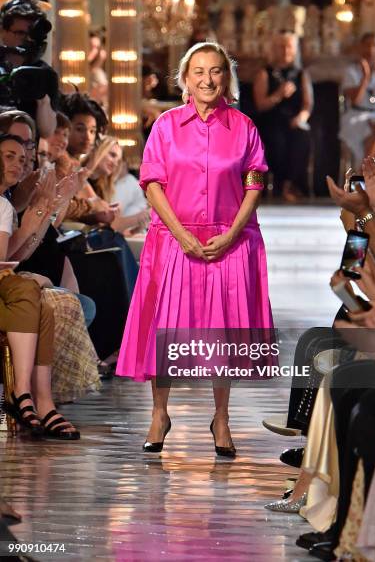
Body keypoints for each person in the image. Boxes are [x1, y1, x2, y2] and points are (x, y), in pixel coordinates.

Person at [116, 42, 275, 456]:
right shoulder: (166, 126)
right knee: (165, 330)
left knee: (223, 334)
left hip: (231, 239)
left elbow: (255, 184)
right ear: (185, 79)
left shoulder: (244, 127)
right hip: (174, 239)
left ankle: (221, 418)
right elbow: (152, 183)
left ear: (227, 78)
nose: (208, 79)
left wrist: (232, 233)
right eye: (199, 71)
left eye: (216, 71)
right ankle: (159, 413)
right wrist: (181, 235)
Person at [0, 134, 79, 439]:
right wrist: (42, 210)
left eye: (23, 158)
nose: (18, 164)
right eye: (9, 156)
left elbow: (16, 255)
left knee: (44, 305)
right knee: (28, 290)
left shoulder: (5, 204)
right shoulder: (6, 205)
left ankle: (41, 401)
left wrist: (47, 209)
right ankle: (24, 395)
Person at [253, 30, 313, 201]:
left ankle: (291, 184)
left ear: (295, 49)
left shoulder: (301, 74)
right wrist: (278, 94)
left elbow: (308, 104)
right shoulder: (265, 73)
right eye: (281, 47)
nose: (285, 51)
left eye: (289, 47)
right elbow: (260, 104)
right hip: (271, 120)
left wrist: (301, 117)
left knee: (302, 138)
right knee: (276, 140)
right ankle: (279, 185)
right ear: (274, 49)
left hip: (294, 121)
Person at [0, 0, 57, 137]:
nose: (26, 40)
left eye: (31, 34)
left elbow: (47, 131)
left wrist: (43, 100)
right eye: (20, 33)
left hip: (25, 154)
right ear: (2, 31)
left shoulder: (44, 74)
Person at [340, 32, 375, 170]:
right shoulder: (351, 71)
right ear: (360, 48)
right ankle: (371, 183)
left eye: (374, 45)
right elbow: (355, 101)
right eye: (367, 45)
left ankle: (363, 180)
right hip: (356, 117)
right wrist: (365, 78)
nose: (370, 49)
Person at [87, 136, 150, 234]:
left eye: (118, 161)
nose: (115, 164)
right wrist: (140, 216)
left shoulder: (104, 188)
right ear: (100, 150)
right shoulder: (82, 180)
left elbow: (111, 231)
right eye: (112, 155)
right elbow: (113, 226)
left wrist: (136, 230)